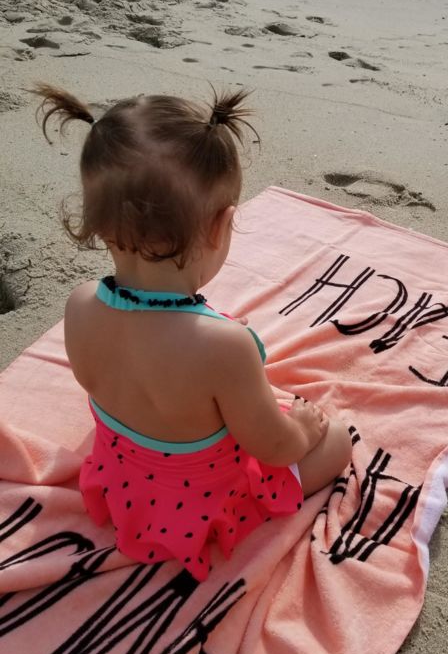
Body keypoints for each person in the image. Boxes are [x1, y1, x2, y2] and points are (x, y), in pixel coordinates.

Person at [34, 83, 352, 582]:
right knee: (338, 442)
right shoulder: (225, 347)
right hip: (201, 504)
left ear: (99, 221)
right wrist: (306, 431)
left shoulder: (80, 303)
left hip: (123, 484)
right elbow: (275, 448)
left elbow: (115, 373)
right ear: (221, 227)